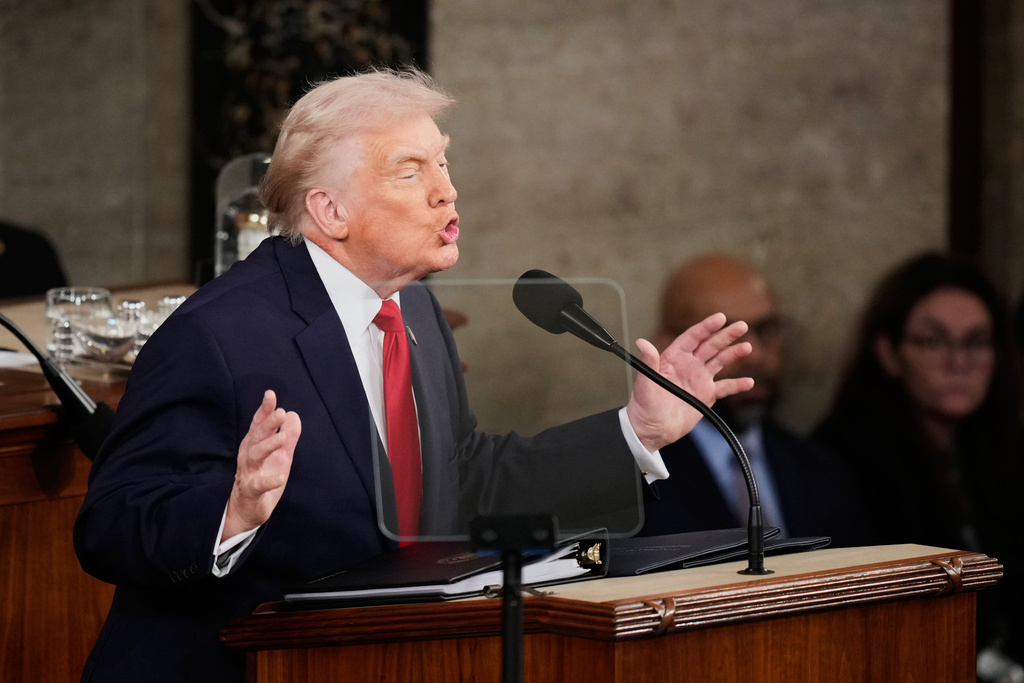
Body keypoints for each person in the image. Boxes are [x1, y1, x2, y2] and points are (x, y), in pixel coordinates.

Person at [72, 67, 755, 682]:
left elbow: (462, 480)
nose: (446, 190)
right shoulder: (217, 334)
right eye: (410, 171)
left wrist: (637, 432)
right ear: (329, 210)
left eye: (444, 163)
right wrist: (231, 510)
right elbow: (109, 522)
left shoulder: (415, 310)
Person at [812, 252, 1021, 678]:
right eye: (934, 341)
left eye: (977, 342)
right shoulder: (844, 455)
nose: (959, 362)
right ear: (889, 353)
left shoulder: (1003, 448)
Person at [638, 254, 859, 545]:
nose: (754, 353)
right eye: (726, 335)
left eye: (766, 329)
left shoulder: (818, 469)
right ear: (668, 346)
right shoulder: (636, 483)